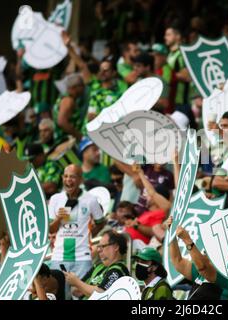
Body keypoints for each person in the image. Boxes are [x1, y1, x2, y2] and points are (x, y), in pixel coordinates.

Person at [48, 164, 105, 298]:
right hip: (59, 256)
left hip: (82, 257)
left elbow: (101, 221)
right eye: (66, 176)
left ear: (80, 179)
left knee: (82, 295)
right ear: (62, 178)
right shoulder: (56, 199)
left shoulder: (90, 199)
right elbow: (50, 229)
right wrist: (58, 218)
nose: (68, 180)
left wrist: (89, 234)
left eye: (72, 177)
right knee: (60, 296)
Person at [166, 216, 228, 300]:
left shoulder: (227, 276)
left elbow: (203, 267)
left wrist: (187, 239)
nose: (203, 254)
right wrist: (172, 234)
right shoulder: (200, 274)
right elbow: (177, 261)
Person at [64, 230, 129, 298]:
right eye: (98, 247)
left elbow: (101, 293)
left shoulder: (119, 270)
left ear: (116, 247)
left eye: (103, 246)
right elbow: (76, 291)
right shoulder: (98, 266)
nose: (98, 250)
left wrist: (77, 282)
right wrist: (75, 282)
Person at [53, 73, 87, 143]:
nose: (84, 88)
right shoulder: (68, 100)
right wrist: (79, 136)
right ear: (74, 87)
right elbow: (62, 122)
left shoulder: (63, 98)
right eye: (81, 85)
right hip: (67, 140)